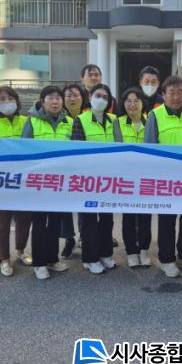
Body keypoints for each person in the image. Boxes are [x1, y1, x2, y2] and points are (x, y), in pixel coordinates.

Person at [144, 76, 182, 278]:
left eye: (180, 93)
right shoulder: (155, 115)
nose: (176, 97)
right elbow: (149, 147)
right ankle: (167, 259)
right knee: (167, 220)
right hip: (166, 178)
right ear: (163, 94)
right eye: (171, 93)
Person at [21, 85, 72, 280]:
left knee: (55, 222)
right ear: (42, 101)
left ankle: (52, 258)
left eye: (58, 98)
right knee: (40, 222)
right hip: (39, 181)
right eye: (51, 98)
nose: (55, 101)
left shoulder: (69, 121)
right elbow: (24, 149)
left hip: (61, 181)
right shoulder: (32, 121)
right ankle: (39, 263)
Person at [0, 86, 32, 277]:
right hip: (0, 181)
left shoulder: (27, 121)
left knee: (24, 220)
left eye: (10, 98)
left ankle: (20, 251)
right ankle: (4, 259)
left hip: (24, 179)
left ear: (17, 101)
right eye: (2, 99)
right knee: (1, 224)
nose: (6, 102)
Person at [71, 84, 117, 274]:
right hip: (88, 179)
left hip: (109, 179)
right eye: (98, 95)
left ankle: (105, 254)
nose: (101, 100)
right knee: (89, 220)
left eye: (105, 97)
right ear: (90, 97)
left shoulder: (114, 120)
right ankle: (90, 258)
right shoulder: (80, 120)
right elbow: (77, 151)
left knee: (107, 219)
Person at [113, 88, 152, 268]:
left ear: (143, 103)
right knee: (128, 215)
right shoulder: (118, 122)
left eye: (136, 100)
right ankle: (131, 251)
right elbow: (118, 148)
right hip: (126, 177)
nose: (132, 104)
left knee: (145, 215)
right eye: (128, 101)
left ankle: (143, 249)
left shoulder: (150, 121)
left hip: (146, 177)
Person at [59, 83, 88, 258]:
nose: (72, 99)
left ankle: (84, 237)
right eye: (68, 96)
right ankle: (69, 239)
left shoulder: (87, 117)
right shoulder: (59, 117)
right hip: (64, 169)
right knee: (65, 207)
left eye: (76, 95)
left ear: (83, 98)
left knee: (84, 205)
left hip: (84, 169)